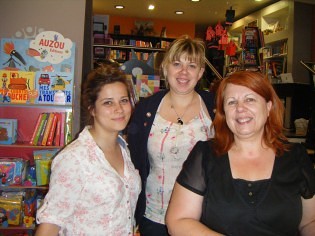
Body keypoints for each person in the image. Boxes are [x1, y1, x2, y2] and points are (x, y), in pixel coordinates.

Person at [165, 71, 315, 236]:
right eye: (231, 102)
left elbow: (310, 222)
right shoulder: (205, 155)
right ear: (224, 112)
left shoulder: (296, 157)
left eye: (250, 99)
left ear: (268, 106)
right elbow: (178, 221)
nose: (240, 108)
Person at [35, 64, 141, 235]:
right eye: (108, 102)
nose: (119, 109)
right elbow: (50, 226)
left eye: (123, 100)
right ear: (92, 109)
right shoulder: (74, 158)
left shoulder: (123, 148)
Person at [127, 35, 216, 236]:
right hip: (155, 216)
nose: (184, 72)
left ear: (200, 72)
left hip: (204, 217)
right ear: (166, 68)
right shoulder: (146, 109)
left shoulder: (215, 107)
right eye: (177, 64)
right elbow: (134, 161)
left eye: (192, 66)